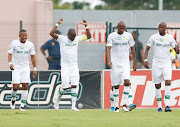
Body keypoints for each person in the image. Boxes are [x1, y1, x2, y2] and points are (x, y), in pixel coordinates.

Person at [50, 17, 91, 111]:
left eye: (74, 37)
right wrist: (57, 23)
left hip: (74, 66)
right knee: (64, 86)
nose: (73, 38)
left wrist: (86, 26)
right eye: (72, 37)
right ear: (68, 35)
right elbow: (51, 34)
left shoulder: (76, 39)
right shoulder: (62, 39)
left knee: (74, 85)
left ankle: (73, 106)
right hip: (65, 66)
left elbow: (89, 37)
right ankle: (57, 100)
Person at [144, 22, 179, 112]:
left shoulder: (170, 38)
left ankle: (167, 105)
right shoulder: (153, 37)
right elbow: (147, 49)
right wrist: (145, 60)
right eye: (159, 27)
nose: (160, 28)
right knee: (157, 85)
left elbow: (177, 51)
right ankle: (159, 107)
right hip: (156, 63)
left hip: (166, 63)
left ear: (165, 28)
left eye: (162, 27)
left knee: (168, 82)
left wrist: (178, 49)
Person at [107, 21, 137, 112]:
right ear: (117, 27)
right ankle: (115, 105)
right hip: (115, 64)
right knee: (115, 86)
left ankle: (124, 105)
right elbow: (108, 48)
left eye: (123, 28)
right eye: (120, 28)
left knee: (127, 82)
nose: (122, 30)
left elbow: (132, 48)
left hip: (125, 64)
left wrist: (134, 62)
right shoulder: (111, 36)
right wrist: (109, 60)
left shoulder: (128, 36)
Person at [8, 29, 37, 111]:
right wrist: (10, 63)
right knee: (16, 87)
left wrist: (35, 69)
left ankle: (22, 106)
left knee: (25, 86)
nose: (24, 37)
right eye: (23, 35)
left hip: (25, 67)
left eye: (25, 36)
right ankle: (13, 98)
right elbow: (9, 54)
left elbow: (32, 57)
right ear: (19, 36)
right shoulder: (14, 43)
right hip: (16, 67)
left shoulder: (30, 44)